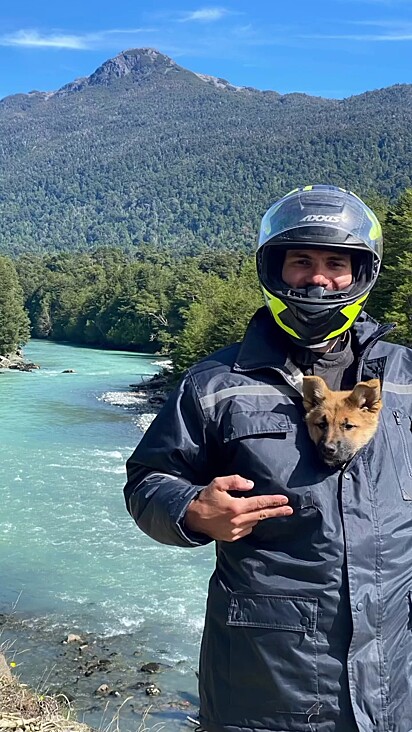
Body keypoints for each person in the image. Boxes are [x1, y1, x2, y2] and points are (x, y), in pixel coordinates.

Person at [124, 185, 412, 732]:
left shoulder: (404, 379)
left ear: (361, 275)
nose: (318, 277)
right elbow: (147, 479)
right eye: (302, 261)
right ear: (276, 270)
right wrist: (190, 509)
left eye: (336, 263)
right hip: (263, 685)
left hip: (394, 677)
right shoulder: (217, 383)